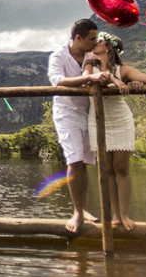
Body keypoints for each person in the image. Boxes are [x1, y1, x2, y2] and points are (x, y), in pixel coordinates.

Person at [83, 31, 146, 231]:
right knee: (106, 170)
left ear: (108, 46)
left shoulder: (122, 69)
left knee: (122, 169)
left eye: (97, 41)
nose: (93, 44)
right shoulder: (89, 64)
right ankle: (114, 214)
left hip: (120, 119)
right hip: (98, 119)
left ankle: (124, 214)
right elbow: (91, 79)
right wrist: (115, 81)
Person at [47, 19, 110, 233]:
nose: (95, 42)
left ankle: (83, 209)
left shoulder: (93, 56)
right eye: (92, 39)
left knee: (83, 163)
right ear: (78, 38)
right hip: (66, 113)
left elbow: (111, 72)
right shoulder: (58, 56)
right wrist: (91, 77)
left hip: (88, 113)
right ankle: (76, 211)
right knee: (74, 160)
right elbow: (58, 81)